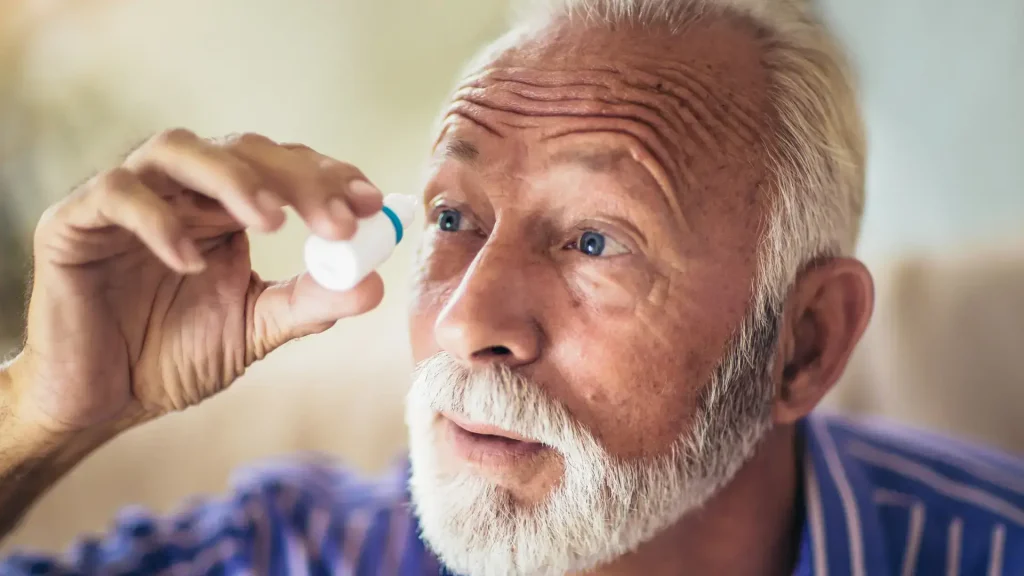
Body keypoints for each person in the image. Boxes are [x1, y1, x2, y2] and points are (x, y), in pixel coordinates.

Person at [0, 0, 1022, 574]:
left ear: (801, 344)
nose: (462, 319)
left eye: (592, 240)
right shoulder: (300, 550)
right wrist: (45, 407)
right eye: (453, 218)